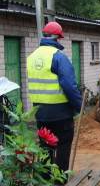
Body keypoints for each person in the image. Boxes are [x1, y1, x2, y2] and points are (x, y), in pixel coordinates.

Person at [27, 21, 82, 175]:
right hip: (61, 114)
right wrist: (79, 106)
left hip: (40, 113)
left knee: (45, 147)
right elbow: (69, 86)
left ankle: (44, 178)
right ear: (57, 38)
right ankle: (60, 179)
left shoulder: (31, 57)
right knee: (63, 146)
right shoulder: (58, 57)